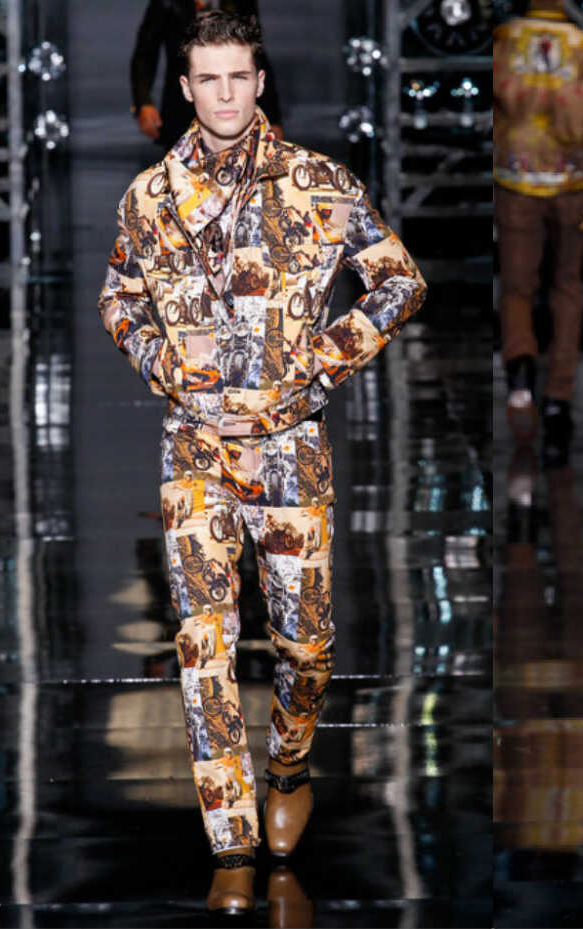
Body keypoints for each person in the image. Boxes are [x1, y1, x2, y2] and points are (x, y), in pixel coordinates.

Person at [99, 11, 426, 914]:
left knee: (306, 647)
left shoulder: (318, 182)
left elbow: (399, 278)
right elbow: (119, 297)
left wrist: (321, 360)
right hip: (195, 446)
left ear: (261, 78)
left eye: (238, 76)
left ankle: (288, 762)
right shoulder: (151, 197)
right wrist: (163, 365)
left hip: (290, 449)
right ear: (184, 87)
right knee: (202, 646)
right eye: (207, 79)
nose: (224, 94)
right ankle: (231, 844)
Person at [493, 0, 583, 456]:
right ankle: (558, 400)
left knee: (517, 286)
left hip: (514, 182)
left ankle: (520, 376)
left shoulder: (503, 43)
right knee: (566, 288)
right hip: (570, 184)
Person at [131, 0, 283, 149]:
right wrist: (143, 103)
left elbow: (256, 54)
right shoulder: (167, 3)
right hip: (180, 109)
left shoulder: (241, 3)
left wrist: (273, 117)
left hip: (235, 111)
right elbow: (145, 54)